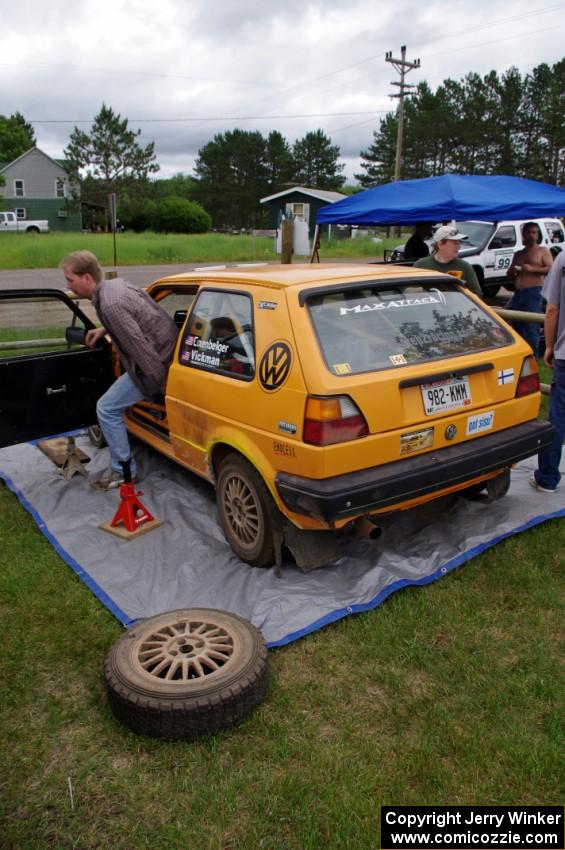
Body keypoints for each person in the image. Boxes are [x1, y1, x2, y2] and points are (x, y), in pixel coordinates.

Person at [60, 251, 179, 490]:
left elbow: (143, 352)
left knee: (106, 408)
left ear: (86, 278)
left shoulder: (110, 305)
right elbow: (138, 315)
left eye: (70, 280)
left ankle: (123, 471)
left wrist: (164, 387)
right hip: (169, 350)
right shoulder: (115, 286)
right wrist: (105, 330)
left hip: (160, 364)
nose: (67, 285)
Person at [530, 250, 565, 493]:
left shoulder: (563, 258)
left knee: (559, 417)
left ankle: (547, 478)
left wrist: (550, 346)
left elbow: (552, 309)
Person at [506, 222, 553, 358]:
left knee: (531, 326)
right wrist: (513, 270)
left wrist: (532, 269)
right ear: (523, 235)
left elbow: (550, 268)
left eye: (534, 232)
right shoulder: (519, 253)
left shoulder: (542, 251)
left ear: (538, 234)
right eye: (528, 232)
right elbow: (509, 272)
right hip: (518, 292)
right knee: (516, 324)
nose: (531, 235)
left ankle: (534, 356)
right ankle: (521, 355)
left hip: (534, 291)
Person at [413, 225, 482, 295]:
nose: (459, 246)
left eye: (459, 242)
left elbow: (477, 294)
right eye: (455, 243)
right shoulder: (421, 265)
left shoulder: (465, 267)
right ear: (440, 244)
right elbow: (409, 292)